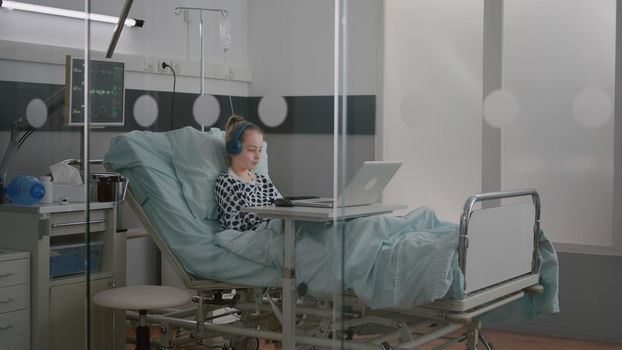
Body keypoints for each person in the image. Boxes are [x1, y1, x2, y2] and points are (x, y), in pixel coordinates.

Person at [215, 115, 280, 231]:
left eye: (260, 150)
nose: (258, 156)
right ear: (233, 149)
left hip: (275, 227)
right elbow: (235, 224)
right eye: (251, 150)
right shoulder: (227, 182)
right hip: (253, 234)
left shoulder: (263, 181)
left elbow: (281, 207)